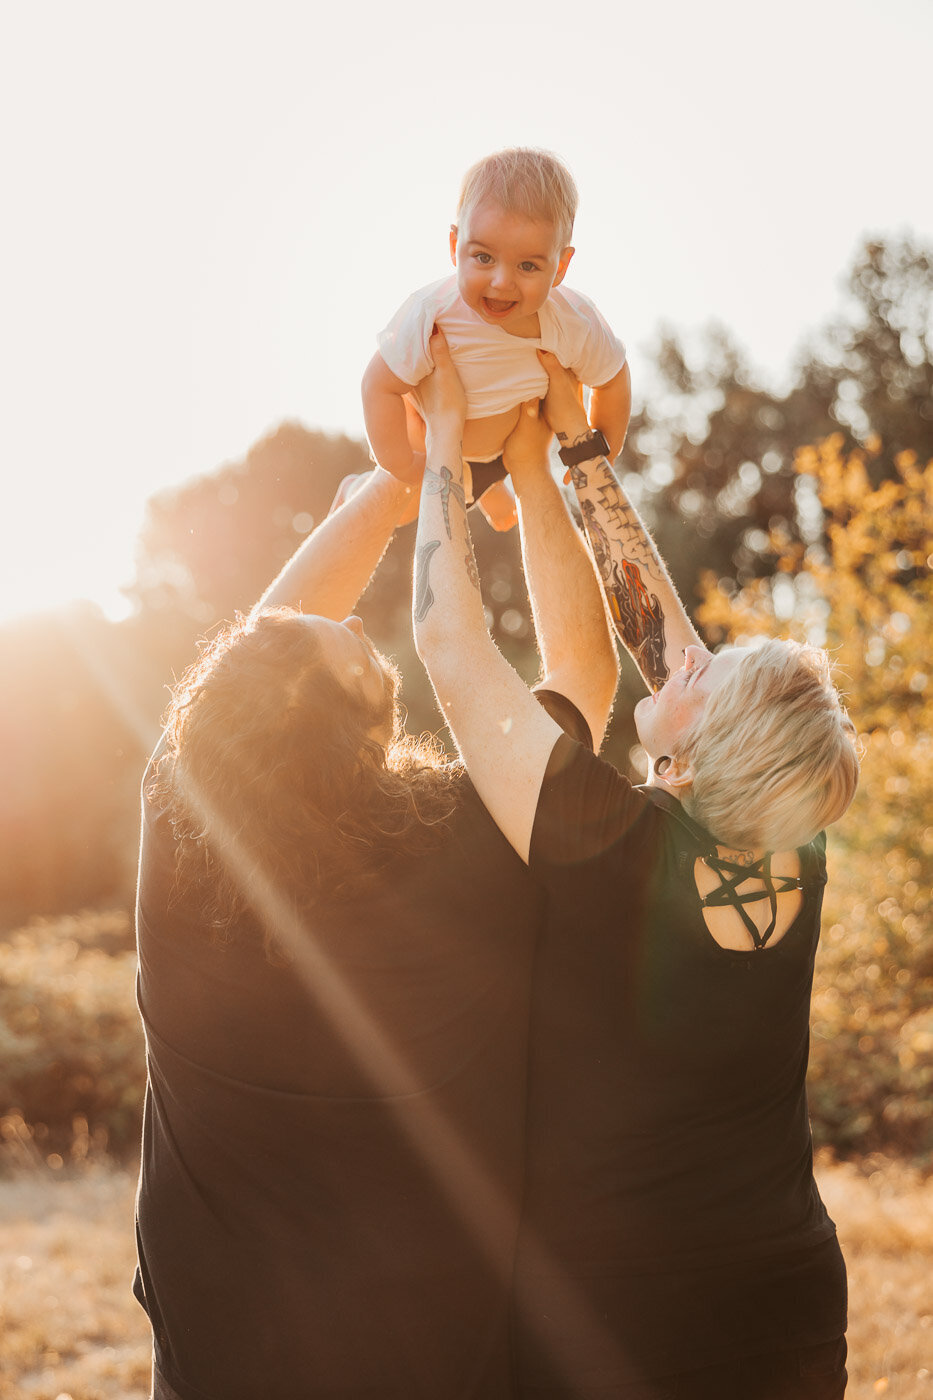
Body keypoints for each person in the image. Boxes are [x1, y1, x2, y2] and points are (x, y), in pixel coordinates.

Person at [413, 332, 860, 1399]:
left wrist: (439, 436)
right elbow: (658, 638)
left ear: (717, 748)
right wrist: (573, 445)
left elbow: (448, 644)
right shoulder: (799, 848)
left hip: (622, 1318)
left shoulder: (603, 840)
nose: (689, 656)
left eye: (715, 673)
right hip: (787, 1295)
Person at [132, 450, 619, 1396]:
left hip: (220, 1365)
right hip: (432, 1355)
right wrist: (529, 464)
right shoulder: (472, 834)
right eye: (357, 651)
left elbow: (273, 644)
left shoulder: (185, 844)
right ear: (366, 735)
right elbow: (583, 676)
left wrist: (382, 500)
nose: (355, 620)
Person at [362, 146, 631, 532]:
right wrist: (402, 463)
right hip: (430, 442)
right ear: (456, 248)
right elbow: (378, 385)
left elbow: (612, 375)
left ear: (560, 267)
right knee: (398, 512)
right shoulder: (431, 314)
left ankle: (492, 490)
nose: (502, 282)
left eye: (527, 265)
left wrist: (601, 446)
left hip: (506, 451)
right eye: (484, 257)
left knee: (506, 512)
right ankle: (355, 488)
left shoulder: (574, 322)